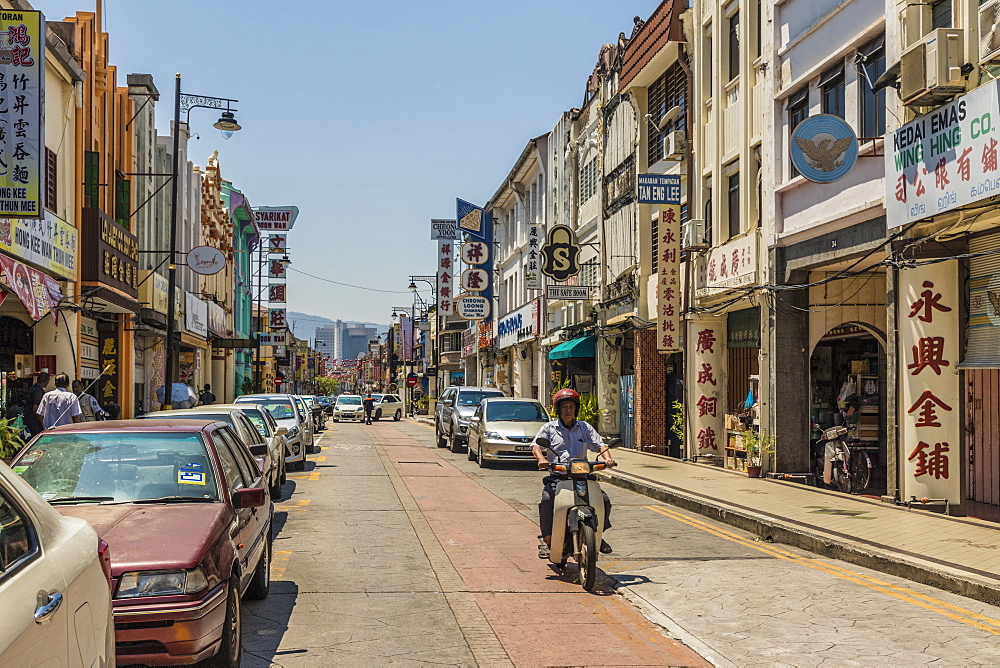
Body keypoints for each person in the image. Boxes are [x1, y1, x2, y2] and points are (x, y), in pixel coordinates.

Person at [531, 388, 615, 559]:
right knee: (547, 501)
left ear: (576, 409)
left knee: (604, 500)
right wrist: (541, 459)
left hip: (582, 475)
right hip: (558, 476)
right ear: (558, 410)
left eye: (571, 407)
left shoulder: (584, 427)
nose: (568, 410)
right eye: (564, 407)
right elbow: (536, 446)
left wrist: (608, 459)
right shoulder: (549, 428)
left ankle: (598, 535)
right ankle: (548, 540)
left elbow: (600, 445)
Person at [24, 372, 50, 438]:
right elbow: (36, 408)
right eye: (48, 381)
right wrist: (41, 421)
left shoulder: (33, 388)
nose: (48, 383)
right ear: (44, 381)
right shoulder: (38, 391)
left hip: (30, 419)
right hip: (35, 421)